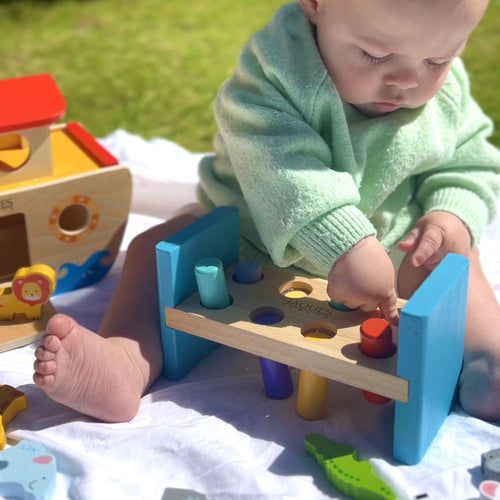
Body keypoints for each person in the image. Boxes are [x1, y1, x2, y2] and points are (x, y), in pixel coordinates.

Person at [34, 0, 500, 423]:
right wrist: (344, 243)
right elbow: (278, 161)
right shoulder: (276, 70)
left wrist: (452, 217)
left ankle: (487, 360)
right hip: (250, 241)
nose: (408, 80)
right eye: (375, 56)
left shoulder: (445, 92)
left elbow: (471, 159)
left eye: (438, 60)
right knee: (154, 249)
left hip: (396, 252)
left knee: (459, 261)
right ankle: (125, 358)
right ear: (317, 5)